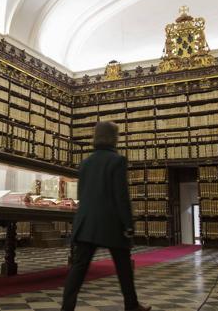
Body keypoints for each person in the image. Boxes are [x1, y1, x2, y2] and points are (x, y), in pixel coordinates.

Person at [61, 121, 151, 311]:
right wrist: (128, 224)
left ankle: (66, 308)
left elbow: (81, 193)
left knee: (78, 269)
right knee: (123, 267)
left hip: (85, 223)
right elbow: (121, 195)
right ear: (113, 138)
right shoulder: (117, 160)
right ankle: (131, 304)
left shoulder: (85, 162)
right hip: (110, 224)